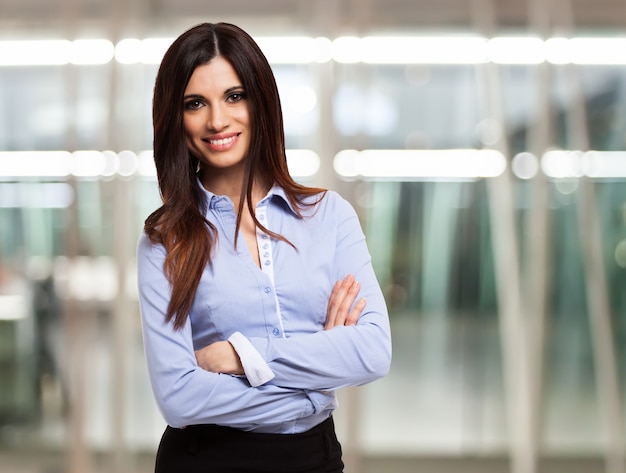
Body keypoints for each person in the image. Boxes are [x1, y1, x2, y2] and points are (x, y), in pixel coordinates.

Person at [136, 22, 392, 473]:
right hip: (206, 461)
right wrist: (316, 382)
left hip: (315, 459)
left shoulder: (329, 216)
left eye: (235, 96)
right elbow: (179, 397)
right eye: (196, 103)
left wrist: (240, 357)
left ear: (261, 101)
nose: (217, 120)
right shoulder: (166, 238)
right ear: (176, 117)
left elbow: (372, 350)